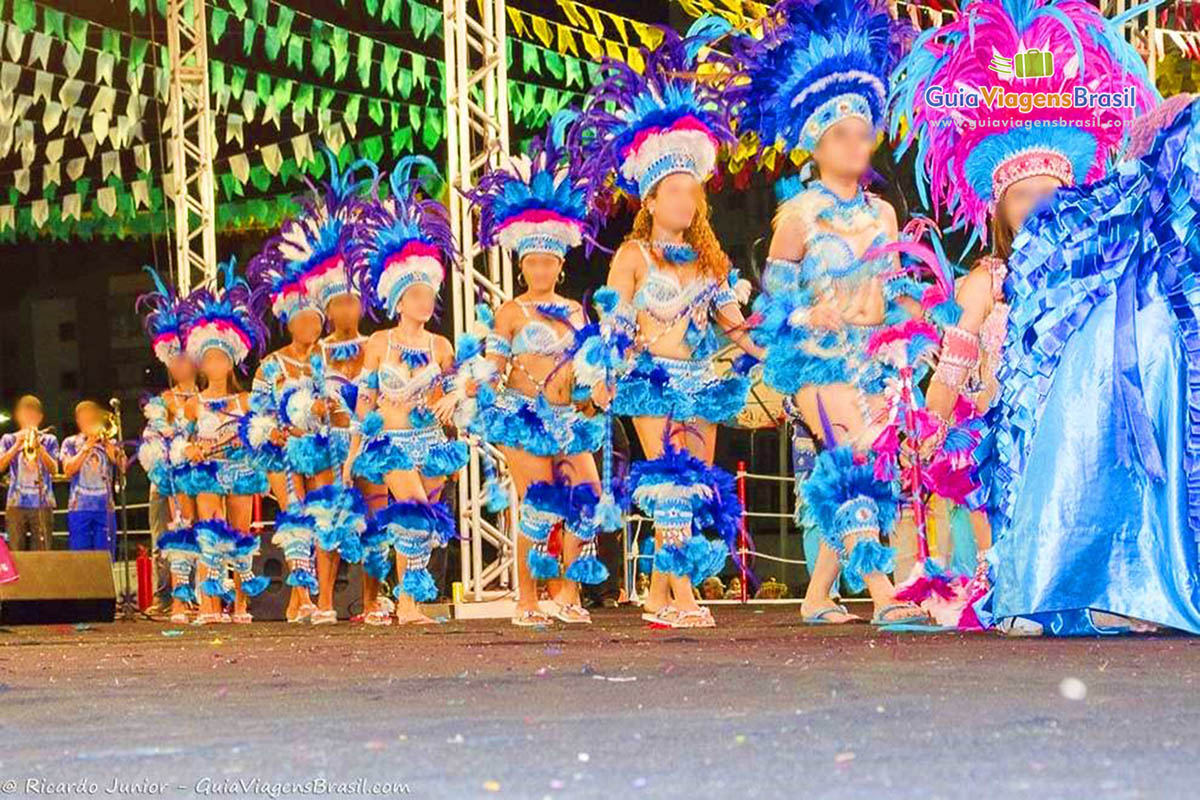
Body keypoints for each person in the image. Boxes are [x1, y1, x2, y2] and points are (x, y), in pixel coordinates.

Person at [889, 0, 1167, 634]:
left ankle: (1107, 587)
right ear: (1000, 207)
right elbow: (954, 366)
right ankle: (1021, 590)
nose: (1038, 207)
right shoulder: (986, 282)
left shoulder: (1101, 274)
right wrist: (925, 426)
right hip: (1007, 444)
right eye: (1023, 196)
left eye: (1049, 194)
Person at [730, 0, 928, 626]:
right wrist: (802, 320)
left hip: (875, 359)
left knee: (866, 465)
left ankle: (818, 595)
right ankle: (883, 592)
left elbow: (894, 290)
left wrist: (911, 334)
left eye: (865, 131)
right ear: (815, 140)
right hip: (817, 362)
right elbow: (774, 305)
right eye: (842, 132)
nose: (857, 142)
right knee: (858, 456)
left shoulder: (884, 214)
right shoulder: (798, 216)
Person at [573, 27, 762, 629]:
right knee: (669, 481)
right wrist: (603, 373)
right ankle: (681, 597)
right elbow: (615, 324)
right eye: (674, 192)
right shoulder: (632, 257)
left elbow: (735, 327)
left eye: (692, 193)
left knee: (694, 485)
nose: (687, 202)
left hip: (701, 381)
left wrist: (778, 354)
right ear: (651, 200)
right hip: (650, 380)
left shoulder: (712, 260)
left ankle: (657, 591)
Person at [464, 113, 608, 626]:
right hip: (522, 416)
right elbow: (493, 365)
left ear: (560, 265)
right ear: (521, 264)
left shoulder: (575, 311)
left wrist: (598, 388)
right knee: (541, 504)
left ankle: (567, 595)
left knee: (587, 499)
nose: (541, 269)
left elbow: (589, 365)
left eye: (549, 262)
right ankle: (527, 600)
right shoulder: (510, 312)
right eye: (532, 262)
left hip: (568, 415)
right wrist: (466, 388)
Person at [248, 152, 369, 625]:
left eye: (313, 318)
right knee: (296, 518)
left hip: (328, 448)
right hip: (285, 452)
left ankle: (321, 601)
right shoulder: (271, 365)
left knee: (329, 518)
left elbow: (351, 401)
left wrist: (335, 413)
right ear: (287, 321)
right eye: (298, 318)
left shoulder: (330, 358)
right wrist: (274, 431)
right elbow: (257, 417)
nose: (307, 325)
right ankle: (302, 596)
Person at [343, 157, 466, 625]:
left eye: (428, 293)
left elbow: (455, 396)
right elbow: (366, 400)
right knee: (412, 511)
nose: (424, 300)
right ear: (397, 298)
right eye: (414, 293)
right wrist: (355, 450)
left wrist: (457, 399)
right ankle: (411, 604)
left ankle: (409, 602)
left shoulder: (441, 345)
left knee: (419, 523)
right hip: (390, 442)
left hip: (431, 444)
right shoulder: (379, 343)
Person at [177, 258, 271, 625]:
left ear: (231, 363)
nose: (215, 365)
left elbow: (261, 435)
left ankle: (242, 607)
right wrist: (190, 449)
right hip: (207, 473)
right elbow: (179, 444)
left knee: (239, 536)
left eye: (221, 359)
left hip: (241, 471)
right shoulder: (192, 404)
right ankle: (209, 606)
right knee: (210, 533)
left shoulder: (245, 401)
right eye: (209, 359)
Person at [136, 266, 199, 622]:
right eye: (172, 359)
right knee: (164, 538)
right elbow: (150, 439)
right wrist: (161, 462)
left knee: (197, 532)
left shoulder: (205, 397)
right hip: (163, 480)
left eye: (184, 358)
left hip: (193, 477)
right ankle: (167, 596)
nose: (179, 365)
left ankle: (198, 597)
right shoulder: (162, 400)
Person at [60, 401, 125, 553]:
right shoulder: (70, 442)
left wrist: (111, 450)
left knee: (105, 559)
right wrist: (86, 448)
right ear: (78, 421)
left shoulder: (110, 441)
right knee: (81, 560)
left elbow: (123, 467)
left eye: (92, 417)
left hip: (105, 509)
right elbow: (68, 470)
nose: (89, 421)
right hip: (79, 509)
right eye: (85, 418)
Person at [0, 395, 58, 551]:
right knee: (15, 550)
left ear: (40, 418)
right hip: (15, 504)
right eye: (25, 414)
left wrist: (40, 448)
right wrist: (17, 445)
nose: (29, 418)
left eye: (32, 415)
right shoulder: (8, 439)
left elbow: (54, 469)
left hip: (43, 503)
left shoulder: (49, 439)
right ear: (18, 416)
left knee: (42, 551)